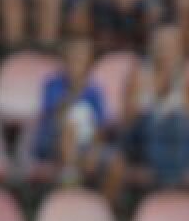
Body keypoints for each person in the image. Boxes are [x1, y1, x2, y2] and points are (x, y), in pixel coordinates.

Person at [32, 34, 125, 201]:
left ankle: (104, 207)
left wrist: (94, 150)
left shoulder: (95, 91)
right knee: (69, 128)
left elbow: (100, 127)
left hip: (86, 145)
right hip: (53, 142)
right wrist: (75, 88)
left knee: (117, 163)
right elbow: (56, 116)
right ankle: (70, 184)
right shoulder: (52, 84)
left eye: (82, 57)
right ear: (65, 59)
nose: (78, 61)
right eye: (74, 56)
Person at [122, 21, 189, 186]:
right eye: (162, 44)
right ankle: (168, 182)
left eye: (170, 45)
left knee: (178, 121)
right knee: (152, 120)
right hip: (143, 138)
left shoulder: (186, 77)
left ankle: (172, 179)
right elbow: (127, 119)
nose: (165, 50)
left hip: (174, 139)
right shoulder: (139, 73)